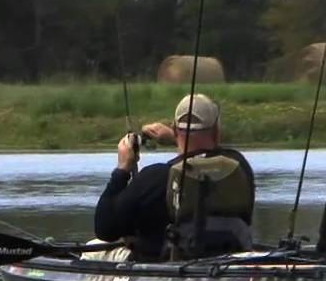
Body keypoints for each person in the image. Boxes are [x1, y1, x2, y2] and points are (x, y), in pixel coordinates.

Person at [93, 93, 255, 261]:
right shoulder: (238, 166)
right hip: (227, 259)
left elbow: (105, 229)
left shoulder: (153, 178)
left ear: (176, 129)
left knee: (93, 248)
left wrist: (122, 169)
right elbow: (203, 154)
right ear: (216, 132)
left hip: (161, 263)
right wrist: (176, 138)